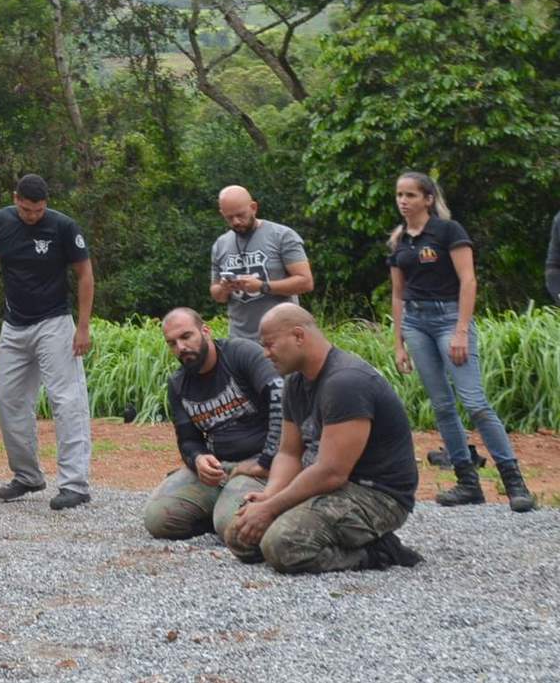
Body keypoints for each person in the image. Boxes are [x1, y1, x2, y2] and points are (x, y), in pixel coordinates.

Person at [227, 304, 423, 573]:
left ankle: (378, 552)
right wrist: (269, 496)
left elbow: (332, 472)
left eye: (270, 344)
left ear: (298, 336)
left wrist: (271, 509)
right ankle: (338, 537)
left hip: (376, 494)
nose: (265, 353)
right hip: (330, 485)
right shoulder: (294, 383)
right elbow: (289, 453)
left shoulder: (346, 382)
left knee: (283, 544)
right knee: (239, 537)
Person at [387, 172, 536, 511]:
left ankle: (514, 481)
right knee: (442, 405)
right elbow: (397, 294)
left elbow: (468, 281)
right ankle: (467, 482)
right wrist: (398, 343)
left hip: (449, 318)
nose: (403, 201)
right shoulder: (400, 241)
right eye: (399, 195)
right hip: (416, 322)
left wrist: (461, 331)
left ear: (428, 199)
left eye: (410, 195)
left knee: (474, 401)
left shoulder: (448, 231)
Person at [0, 173, 95, 510]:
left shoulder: (63, 227)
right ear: (16, 199)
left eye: (38, 210)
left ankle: (75, 483)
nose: (32, 216)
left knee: (66, 400)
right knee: (7, 399)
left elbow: (85, 275)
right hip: (14, 324)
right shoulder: (0, 221)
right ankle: (27, 475)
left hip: (54, 322)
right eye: (26, 210)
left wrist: (83, 327)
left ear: (46, 204)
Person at [141, 308, 281, 544]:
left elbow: (282, 401)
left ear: (205, 331)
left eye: (186, 336)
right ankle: (221, 511)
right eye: (172, 343)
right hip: (220, 469)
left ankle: (237, 512)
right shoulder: (178, 384)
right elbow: (188, 440)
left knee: (234, 528)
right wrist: (198, 459)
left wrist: (266, 461)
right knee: (157, 519)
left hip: (261, 465)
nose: (181, 347)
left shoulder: (241, 354)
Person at [210, 185, 314, 342]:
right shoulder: (220, 244)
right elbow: (217, 294)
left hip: (282, 337)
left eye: (240, 215)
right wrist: (225, 288)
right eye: (229, 218)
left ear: (253, 208)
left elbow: (306, 282)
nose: (236, 222)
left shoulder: (282, 236)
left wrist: (262, 286)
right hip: (239, 340)